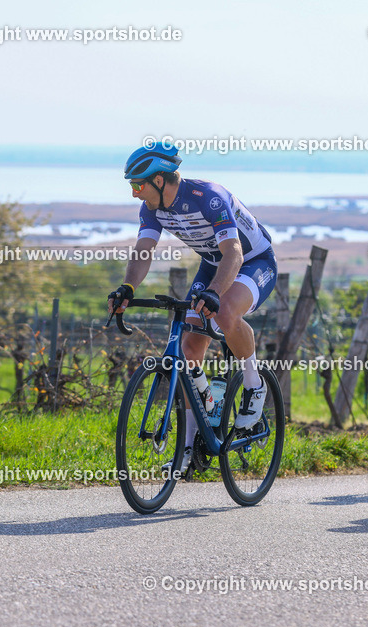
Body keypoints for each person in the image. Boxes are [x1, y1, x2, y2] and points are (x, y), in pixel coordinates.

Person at [107, 141, 278, 476]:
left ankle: (253, 383)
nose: (135, 194)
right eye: (131, 186)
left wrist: (215, 293)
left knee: (226, 312)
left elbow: (234, 253)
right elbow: (144, 250)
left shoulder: (208, 198)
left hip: (251, 261)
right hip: (213, 264)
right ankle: (191, 445)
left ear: (159, 180)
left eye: (138, 185)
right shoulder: (152, 209)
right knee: (188, 349)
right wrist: (128, 288)